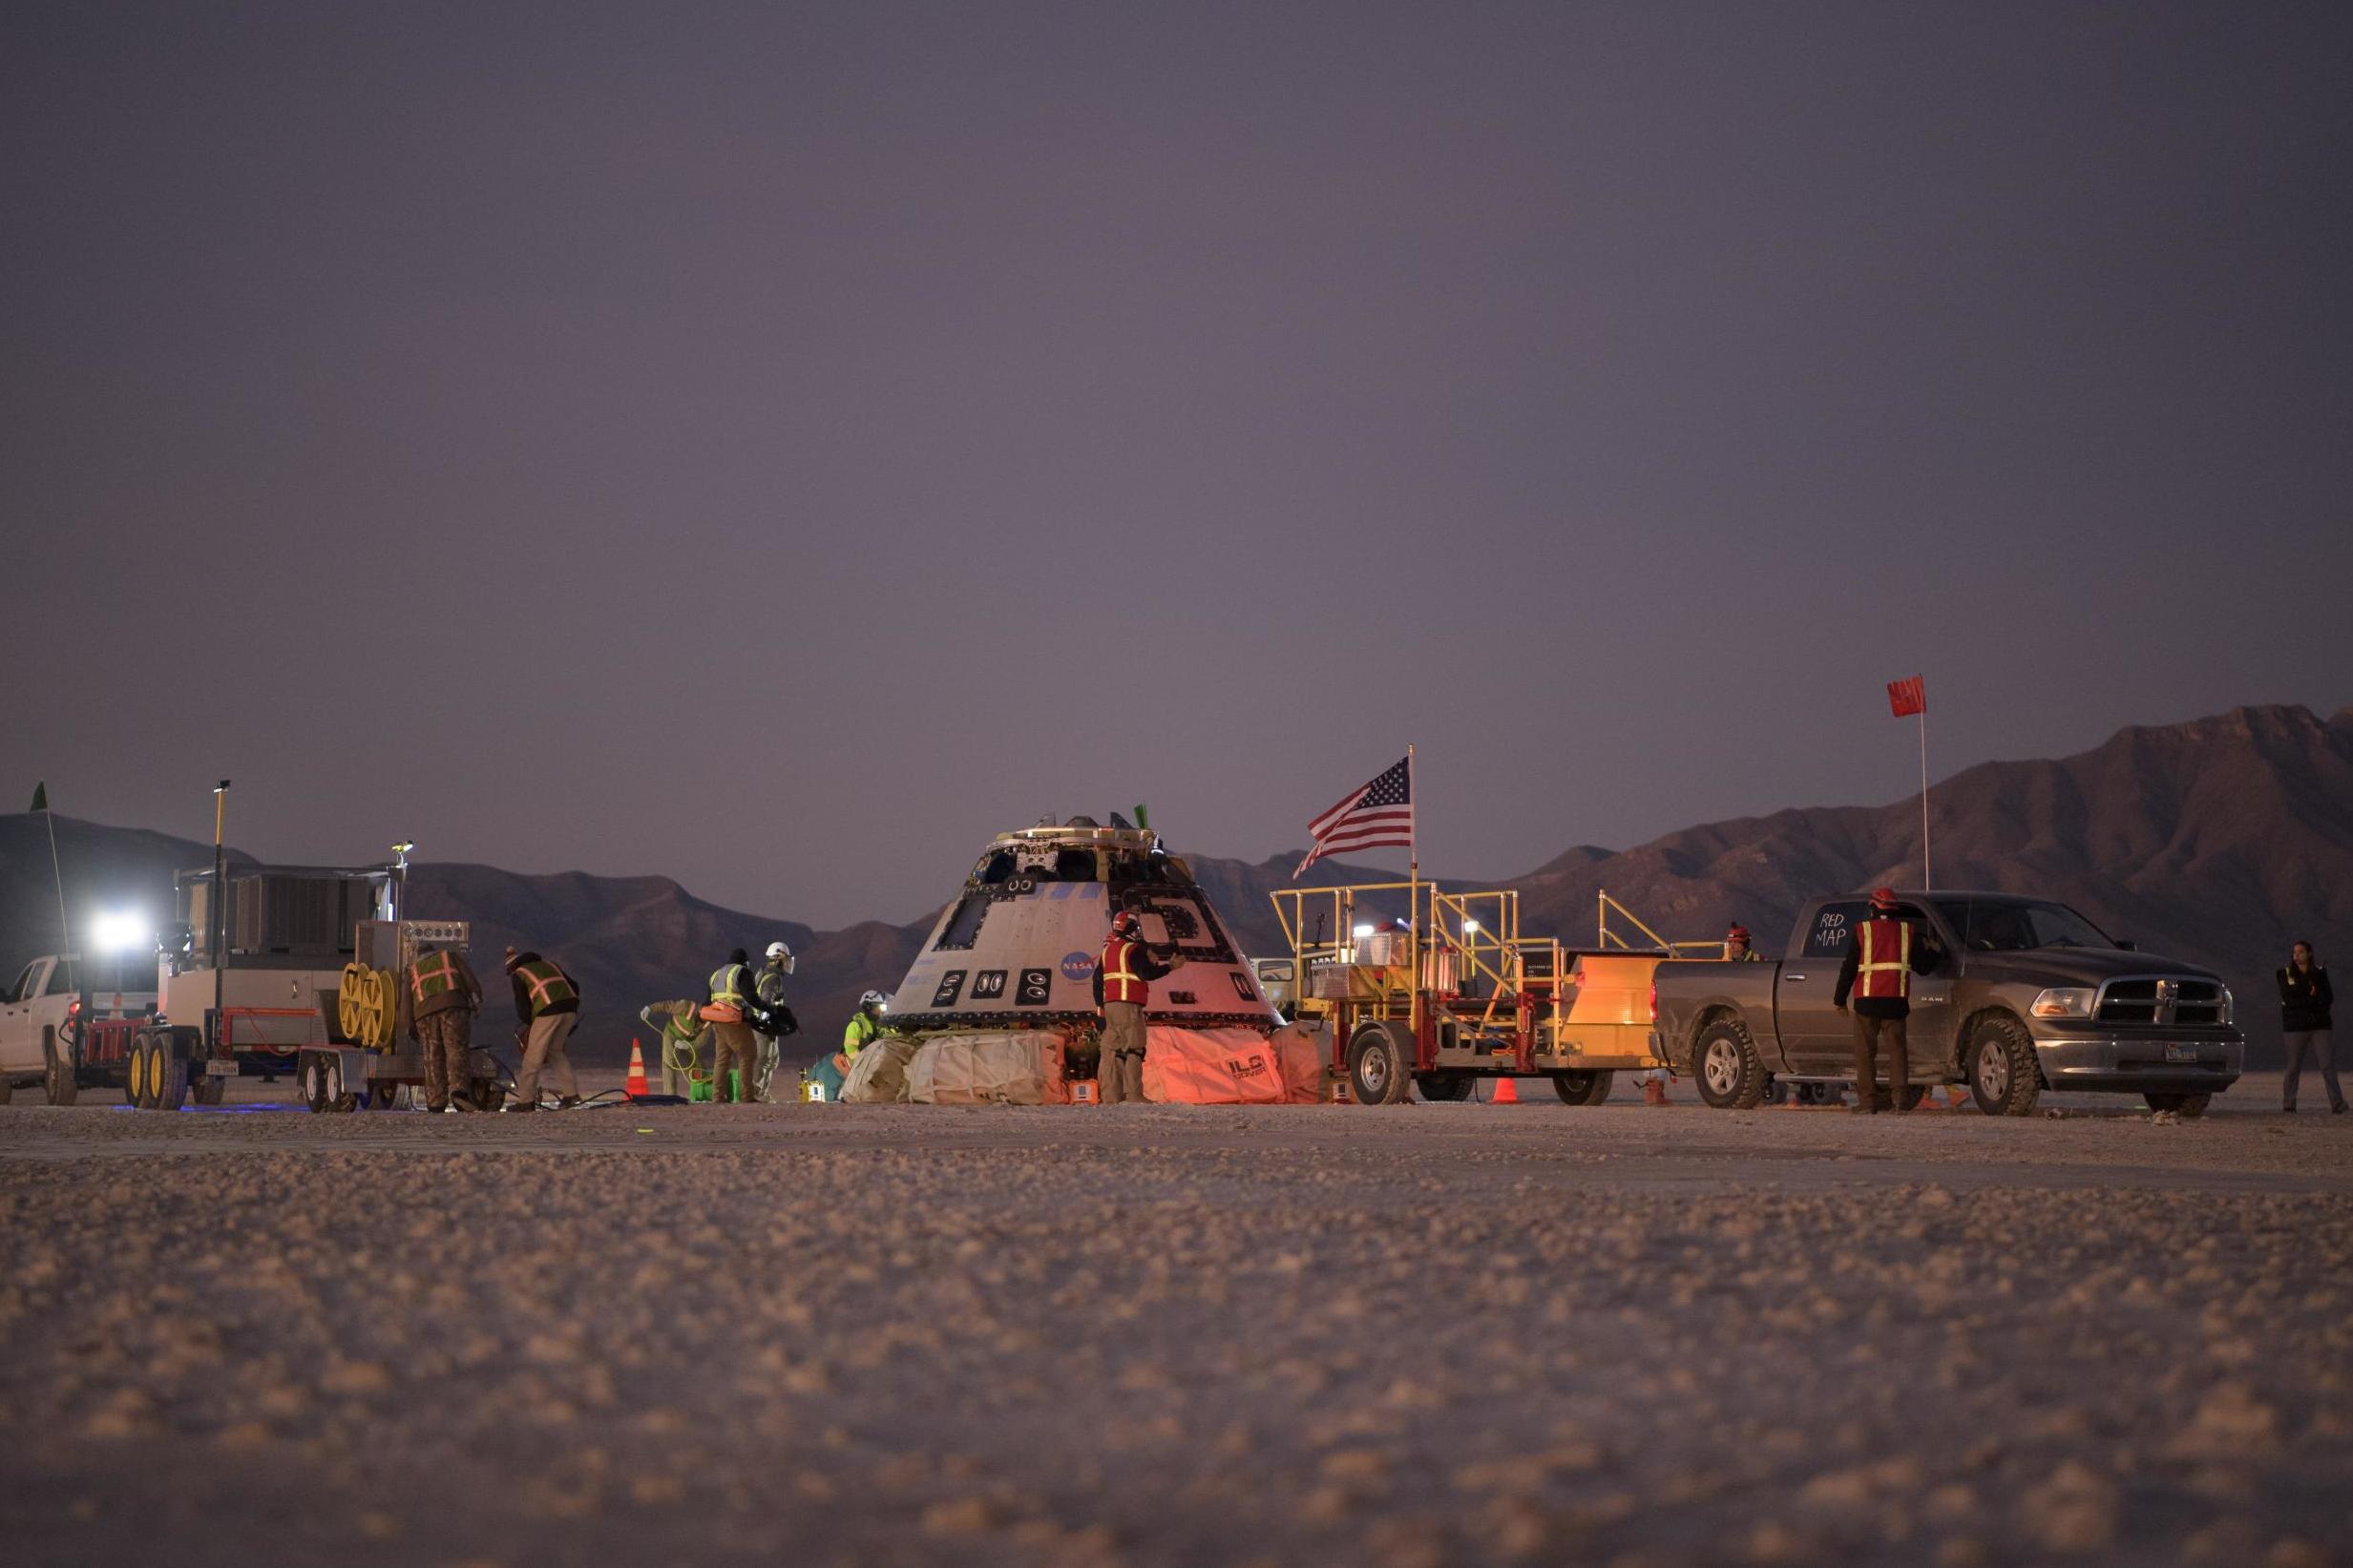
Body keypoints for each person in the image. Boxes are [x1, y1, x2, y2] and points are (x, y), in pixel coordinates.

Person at [1832, 888, 1942, 1114]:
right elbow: (1923, 967)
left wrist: (1839, 1000)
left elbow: (1849, 968)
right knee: (1898, 1053)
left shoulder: (1862, 931)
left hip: (1866, 1004)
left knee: (1865, 1055)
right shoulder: (1907, 932)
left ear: (1874, 907)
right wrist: (1935, 951)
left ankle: (1867, 1102)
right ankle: (1900, 1101)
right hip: (1896, 1004)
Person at [1091, 910, 1184, 1104]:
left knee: (1113, 1051)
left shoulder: (1108, 951)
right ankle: (1134, 1095)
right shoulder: (1133, 949)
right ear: (1132, 928)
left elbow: (1097, 981)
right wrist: (1170, 966)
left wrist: (1100, 1007)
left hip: (1110, 1006)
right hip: (1129, 1006)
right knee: (1134, 1049)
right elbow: (1145, 973)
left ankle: (1111, 1096)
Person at [405, 939, 484, 1113]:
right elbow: (469, 979)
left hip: (424, 1015)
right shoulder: (449, 957)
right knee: (456, 1050)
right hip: (454, 1007)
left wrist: (410, 1027)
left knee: (432, 1057)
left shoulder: (412, 971)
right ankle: (458, 1091)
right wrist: (477, 1000)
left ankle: (436, 1101)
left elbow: (406, 1002)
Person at [503, 946, 582, 1112]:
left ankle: (526, 1101)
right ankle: (571, 1095)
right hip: (570, 1008)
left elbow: (523, 1007)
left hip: (548, 1011)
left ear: (512, 967)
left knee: (532, 1057)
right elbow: (574, 987)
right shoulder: (551, 964)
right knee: (555, 1051)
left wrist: (531, 1023)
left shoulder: (519, 974)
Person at [2279, 941, 2342, 1114]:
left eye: (2300, 952)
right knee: (2293, 1066)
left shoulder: (2320, 974)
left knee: (2327, 1064)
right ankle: (2289, 1104)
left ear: (2309, 954)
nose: (2297, 955)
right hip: (2295, 1027)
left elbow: (2327, 998)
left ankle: (2337, 1103)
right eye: (2294, 952)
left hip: (2319, 1026)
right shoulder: (2285, 975)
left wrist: (2311, 999)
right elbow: (2289, 1000)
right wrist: (2310, 997)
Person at [705, 947, 762, 1104]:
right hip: (735, 1021)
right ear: (745, 962)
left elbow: (706, 1001)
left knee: (722, 1060)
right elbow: (751, 997)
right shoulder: (742, 972)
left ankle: (717, 1096)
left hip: (718, 1022)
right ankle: (746, 1096)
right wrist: (765, 1008)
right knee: (747, 1056)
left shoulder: (716, 975)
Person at [639, 998, 711, 1098]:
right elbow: (666, 1006)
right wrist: (649, 1009)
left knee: (695, 1064)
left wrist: (687, 1045)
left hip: (687, 1042)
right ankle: (670, 1095)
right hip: (671, 1034)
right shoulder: (685, 1006)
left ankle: (703, 1092)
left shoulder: (708, 1023)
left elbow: (701, 1041)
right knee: (669, 1062)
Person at [752, 941, 796, 1103]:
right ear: (778, 958)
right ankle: (756, 1093)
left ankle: (761, 1092)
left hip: (764, 1025)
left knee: (772, 1060)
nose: (788, 963)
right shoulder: (773, 979)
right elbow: (765, 1001)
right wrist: (769, 1021)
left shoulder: (765, 974)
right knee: (764, 1058)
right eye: (786, 959)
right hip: (764, 1026)